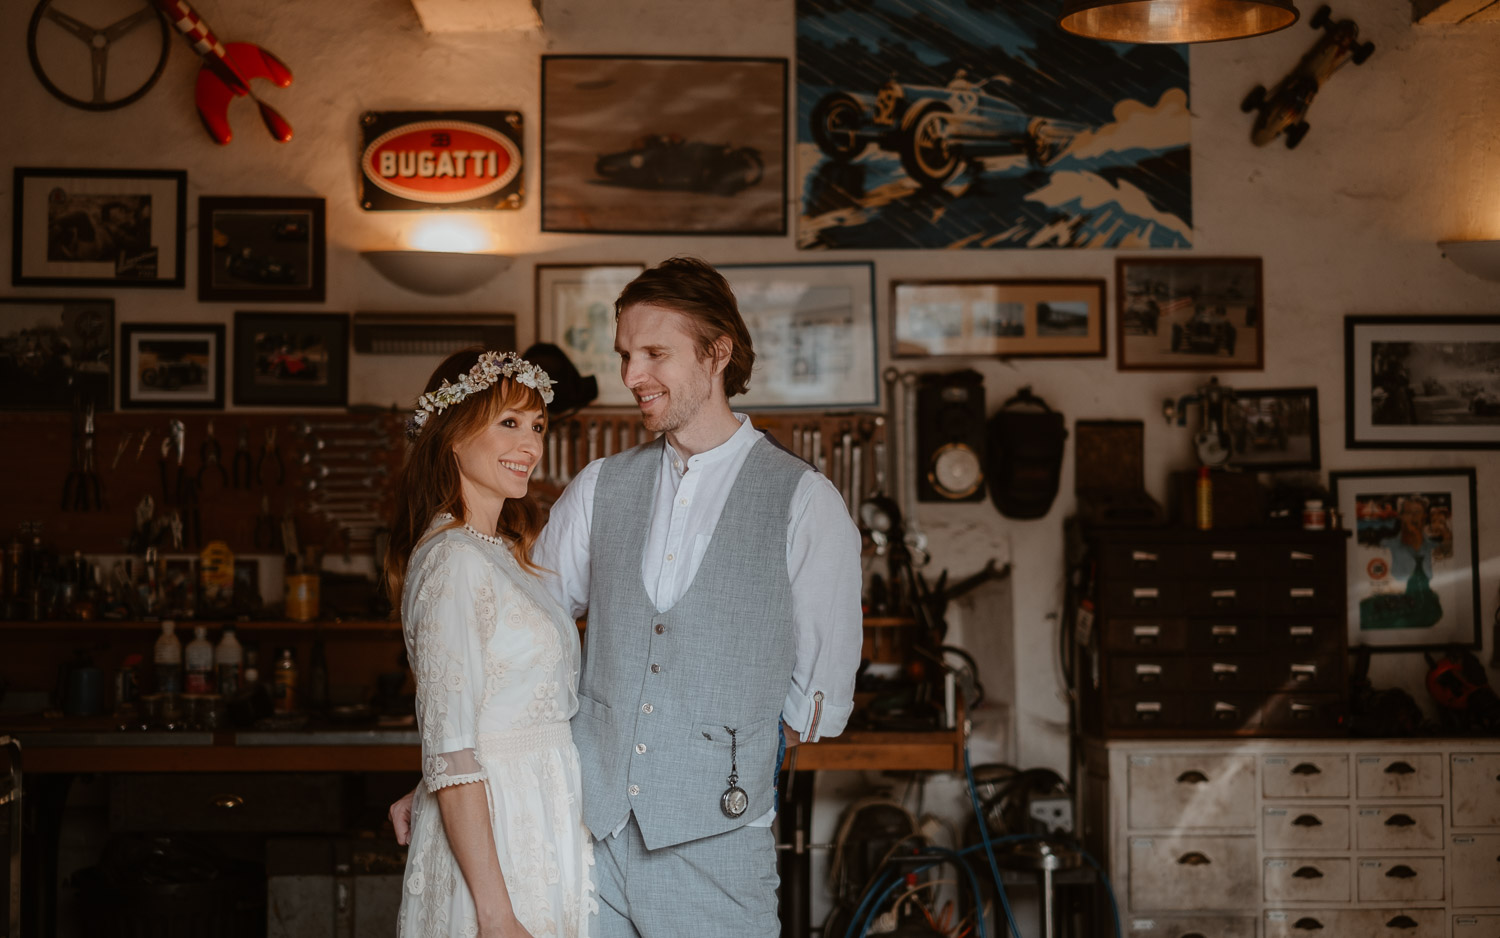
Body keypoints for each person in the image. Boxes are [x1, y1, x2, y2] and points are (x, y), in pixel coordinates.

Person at [394, 257, 864, 936]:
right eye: (624, 355)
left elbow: (813, 702)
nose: (631, 377)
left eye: (654, 354)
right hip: (586, 847)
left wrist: (707, 771)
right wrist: (440, 782)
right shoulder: (599, 486)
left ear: (718, 354)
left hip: (719, 854)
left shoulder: (805, 502)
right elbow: (520, 647)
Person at [386, 348, 595, 938]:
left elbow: (486, 709)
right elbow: (453, 752)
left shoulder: (499, 552)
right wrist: (497, 916)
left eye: (537, 426)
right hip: (499, 838)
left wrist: (425, 780)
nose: (529, 444)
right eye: (509, 423)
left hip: (537, 811)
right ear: (453, 436)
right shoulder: (453, 560)